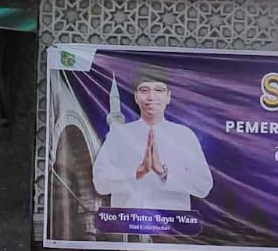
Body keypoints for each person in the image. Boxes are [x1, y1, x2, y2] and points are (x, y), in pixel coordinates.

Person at [91, 66, 214, 211]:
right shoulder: (118, 135)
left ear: (168, 96)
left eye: (159, 90)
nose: (151, 97)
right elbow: (100, 183)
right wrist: (137, 171)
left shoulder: (184, 135)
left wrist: (163, 172)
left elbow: (203, 186)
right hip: (127, 220)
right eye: (144, 90)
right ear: (136, 97)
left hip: (172, 223)